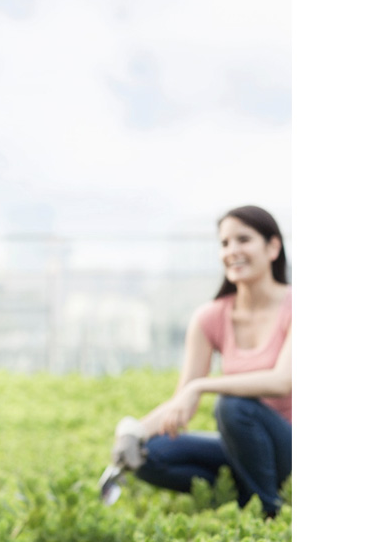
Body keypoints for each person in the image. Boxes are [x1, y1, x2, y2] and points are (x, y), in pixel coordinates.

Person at [107, 205, 291, 518]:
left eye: (243, 240)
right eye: (225, 243)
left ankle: (268, 512)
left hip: (290, 445)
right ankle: (249, 492)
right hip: (244, 449)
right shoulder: (211, 316)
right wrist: (133, 433)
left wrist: (201, 385)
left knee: (233, 406)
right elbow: (182, 404)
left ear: (273, 247)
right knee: (147, 455)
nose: (232, 251)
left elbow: (282, 381)